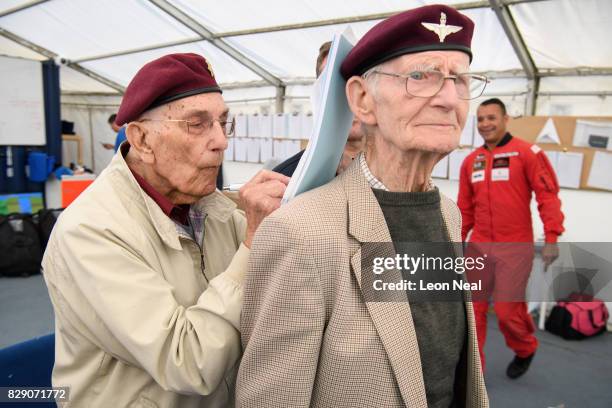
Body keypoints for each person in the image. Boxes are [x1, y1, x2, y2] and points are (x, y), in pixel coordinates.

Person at [237, 5, 489, 407]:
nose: (448, 98)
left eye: (459, 79)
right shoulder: (299, 233)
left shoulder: (447, 212)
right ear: (362, 100)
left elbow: (430, 351)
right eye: (421, 76)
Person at [42, 53, 289, 407]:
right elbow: (188, 363)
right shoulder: (89, 230)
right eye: (197, 124)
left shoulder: (208, 204)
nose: (221, 141)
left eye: (223, 123)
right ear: (142, 140)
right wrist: (253, 241)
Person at [458, 98, 564, 378]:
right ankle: (474, 374)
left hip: (514, 247)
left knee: (506, 313)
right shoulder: (471, 161)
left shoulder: (527, 153)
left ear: (506, 119)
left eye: (491, 117)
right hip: (479, 247)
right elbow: (465, 208)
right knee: (473, 312)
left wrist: (552, 237)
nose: (485, 124)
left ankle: (525, 347)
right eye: (480, 119)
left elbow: (547, 196)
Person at [273, 41, 365, 177]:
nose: (348, 95)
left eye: (357, 81)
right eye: (334, 84)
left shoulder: (402, 174)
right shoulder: (286, 179)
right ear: (319, 95)